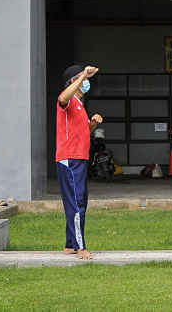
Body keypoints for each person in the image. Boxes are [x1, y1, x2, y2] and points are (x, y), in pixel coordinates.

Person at [57, 65, 103, 260]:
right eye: (82, 80)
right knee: (77, 203)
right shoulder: (67, 99)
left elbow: (83, 132)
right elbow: (62, 99)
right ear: (74, 81)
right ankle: (80, 246)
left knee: (78, 201)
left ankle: (70, 244)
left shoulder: (79, 105)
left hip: (79, 157)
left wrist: (93, 124)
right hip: (71, 158)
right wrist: (83, 74)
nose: (86, 83)